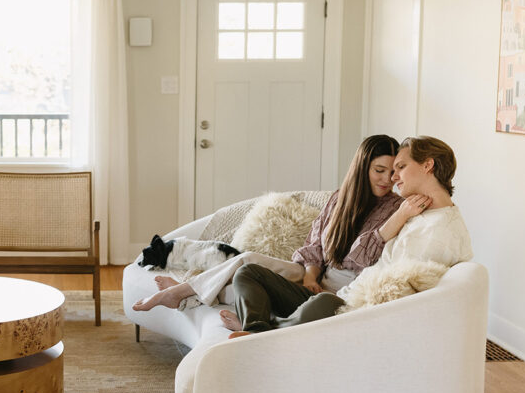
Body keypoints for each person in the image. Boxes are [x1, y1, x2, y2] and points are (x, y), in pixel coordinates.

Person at [225, 135, 472, 338]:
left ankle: (259, 335)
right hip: (342, 296)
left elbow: (398, 295)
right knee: (248, 272)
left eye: (400, 168)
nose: (393, 178)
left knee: (320, 304)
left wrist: (343, 300)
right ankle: (257, 329)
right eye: (385, 170)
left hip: (358, 309)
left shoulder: (439, 231)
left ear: (427, 166)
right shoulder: (416, 214)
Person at [132, 134, 403, 313]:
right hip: (310, 275)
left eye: (392, 173)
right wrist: (309, 276)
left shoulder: (393, 207)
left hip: (340, 286)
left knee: (246, 279)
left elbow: (358, 258)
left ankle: (182, 293)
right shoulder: (339, 200)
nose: (386, 179)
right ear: (361, 167)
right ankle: (183, 293)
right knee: (247, 259)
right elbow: (314, 245)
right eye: (379, 171)